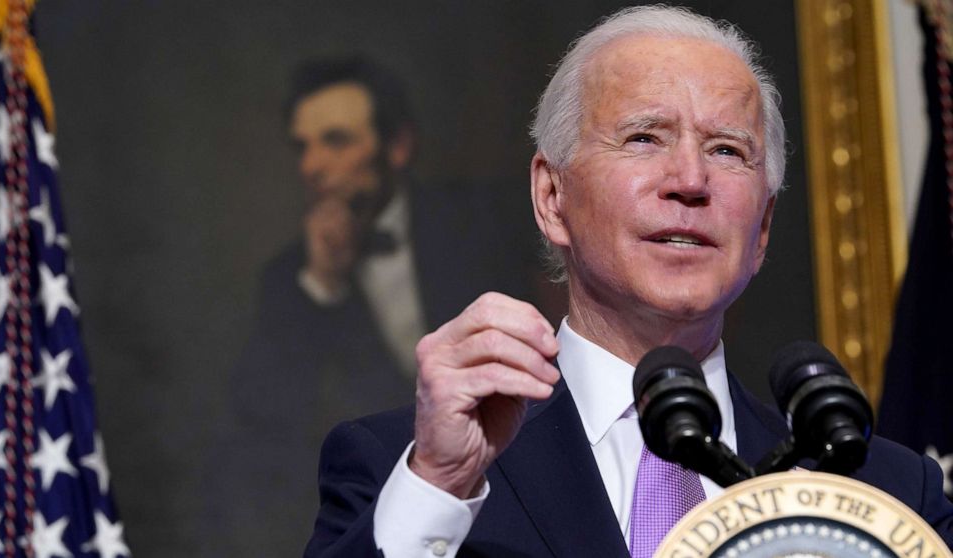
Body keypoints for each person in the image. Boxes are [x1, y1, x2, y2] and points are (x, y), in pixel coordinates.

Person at [304, 6, 953, 557]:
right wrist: (440, 482)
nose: (690, 181)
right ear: (551, 196)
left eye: (727, 149)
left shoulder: (887, 496)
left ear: (762, 230)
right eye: (644, 138)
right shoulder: (407, 469)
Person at [217, 57, 543, 555]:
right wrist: (323, 284)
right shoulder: (290, 280)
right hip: (376, 516)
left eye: (336, 140)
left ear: (397, 147)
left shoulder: (482, 223)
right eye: (302, 147)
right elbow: (265, 427)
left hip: (519, 493)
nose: (312, 166)